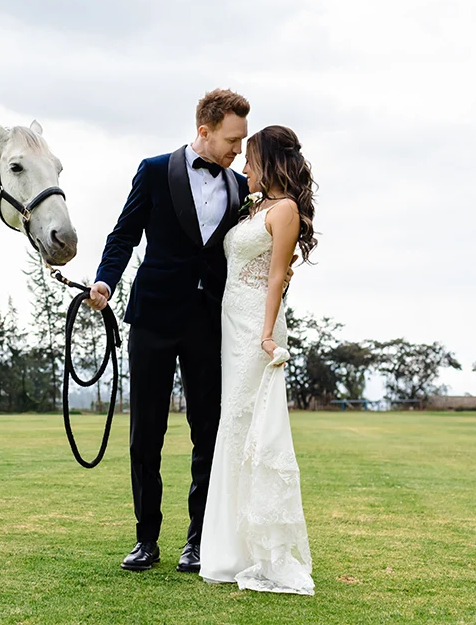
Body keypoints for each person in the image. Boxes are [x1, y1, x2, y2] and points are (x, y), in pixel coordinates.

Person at [87, 89, 292, 573]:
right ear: (205, 130)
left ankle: (198, 541)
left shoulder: (245, 190)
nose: (238, 152)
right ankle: (146, 539)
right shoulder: (154, 170)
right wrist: (104, 280)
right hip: (153, 319)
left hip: (211, 323)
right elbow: (124, 234)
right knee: (145, 435)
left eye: (242, 143)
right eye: (232, 140)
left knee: (208, 433)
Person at [199, 124, 317, 595]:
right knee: (233, 426)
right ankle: (229, 547)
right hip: (231, 325)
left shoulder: (284, 209)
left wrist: (267, 334)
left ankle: (248, 553)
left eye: (250, 160)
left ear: (267, 162)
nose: (243, 167)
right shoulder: (257, 207)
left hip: (256, 329)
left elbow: (276, 278)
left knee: (245, 429)